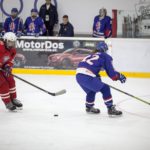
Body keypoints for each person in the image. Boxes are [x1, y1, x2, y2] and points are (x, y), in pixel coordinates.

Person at [76, 41, 126, 116]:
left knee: (91, 91)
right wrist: (118, 76)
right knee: (105, 88)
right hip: (87, 76)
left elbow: (87, 66)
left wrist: (96, 76)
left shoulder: (90, 55)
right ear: (105, 49)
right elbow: (111, 72)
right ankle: (110, 108)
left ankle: (89, 107)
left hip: (78, 76)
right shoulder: (105, 56)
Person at [0, 32, 23, 111]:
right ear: (5, 41)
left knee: (10, 80)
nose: (11, 44)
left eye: (13, 42)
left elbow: (10, 60)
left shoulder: (13, 50)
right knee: (3, 83)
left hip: (2, 67)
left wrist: (8, 66)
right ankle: (7, 102)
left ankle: (13, 99)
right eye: (10, 42)